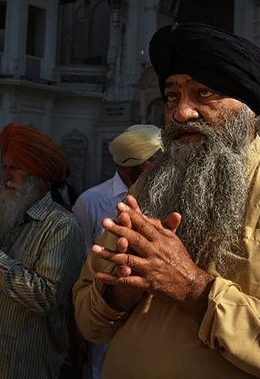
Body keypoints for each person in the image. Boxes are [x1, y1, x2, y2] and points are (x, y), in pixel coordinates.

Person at [73, 23, 260, 378]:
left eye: (204, 93)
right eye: (172, 96)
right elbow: (89, 323)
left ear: (249, 109)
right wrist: (121, 291)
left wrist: (195, 289)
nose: (182, 112)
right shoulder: (147, 187)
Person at [0, 123, 85, 378]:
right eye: (4, 167)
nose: (5, 176)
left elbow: (44, 297)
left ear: (39, 174)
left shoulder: (62, 226)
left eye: (15, 168)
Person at [72, 124, 162, 379]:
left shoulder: (165, 197)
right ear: (129, 163)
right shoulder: (91, 202)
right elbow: (79, 264)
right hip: (102, 313)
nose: (159, 168)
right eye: (152, 161)